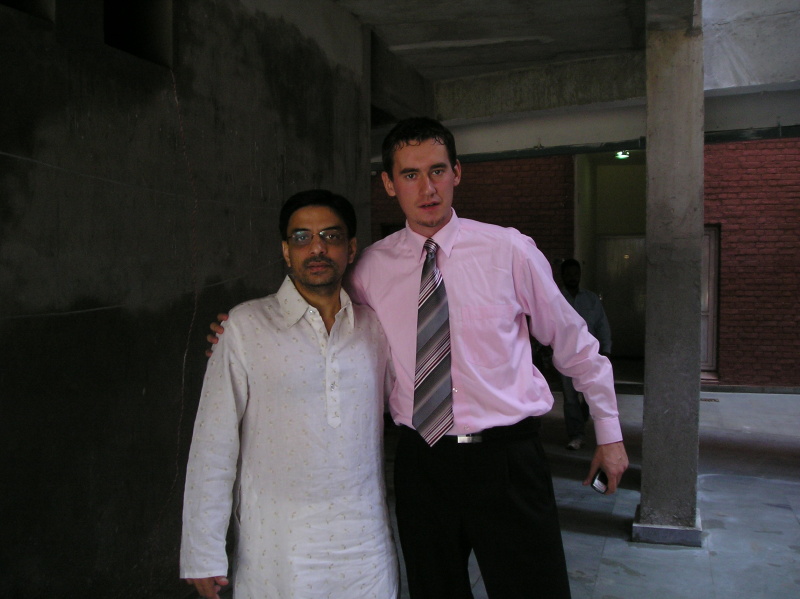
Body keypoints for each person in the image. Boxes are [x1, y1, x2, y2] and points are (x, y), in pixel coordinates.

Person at [208, 119, 628, 599]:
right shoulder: (368, 269)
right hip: (422, 464)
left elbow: (575, 344)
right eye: (410, 174)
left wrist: (610, 433)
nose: (427, 188)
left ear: (456, 173)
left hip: (506, 461)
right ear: (389, 184)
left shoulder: (508, 250)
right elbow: (315, 312)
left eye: (437, 171)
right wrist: (243, 328)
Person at [181, 190, 398, 599]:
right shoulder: (245, 327)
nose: (317, 248)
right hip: (278, 553)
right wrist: (202, 551)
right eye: (302, 237)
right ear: (285, 251)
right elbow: (213, 445)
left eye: (331, 236)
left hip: (366, 550)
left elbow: (405, 400)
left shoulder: (374, 327)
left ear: (351, 249)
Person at [558, 258, 612, 451]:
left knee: (590, 394)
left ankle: (583, 419)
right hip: (565, 355)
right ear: (562, 276)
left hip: (590, 354)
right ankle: (576, 435)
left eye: (576, 274)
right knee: (570, 397)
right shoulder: (556, 299)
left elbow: (602, 324)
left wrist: (606, 349)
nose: (572, 277)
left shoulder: (591, 299)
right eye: (568, 274)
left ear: (580, 275)